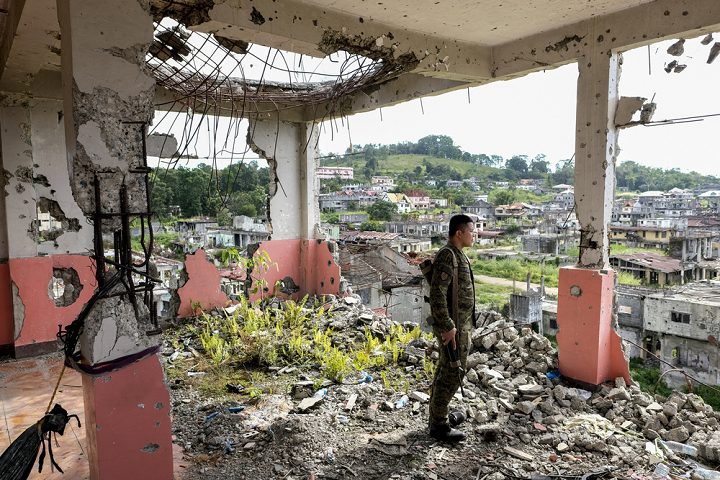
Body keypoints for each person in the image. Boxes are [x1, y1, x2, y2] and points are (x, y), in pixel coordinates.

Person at [428, 214, 476, 442]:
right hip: (453, 328)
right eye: (471, 231)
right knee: (452, 372)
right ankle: (440, 427)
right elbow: (437, 293)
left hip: (460, 327)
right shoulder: (448, 255)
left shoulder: (458, 255)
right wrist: (447, 326)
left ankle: (439, 415)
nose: (474, 235)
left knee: (446, 370)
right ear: (459, 233)